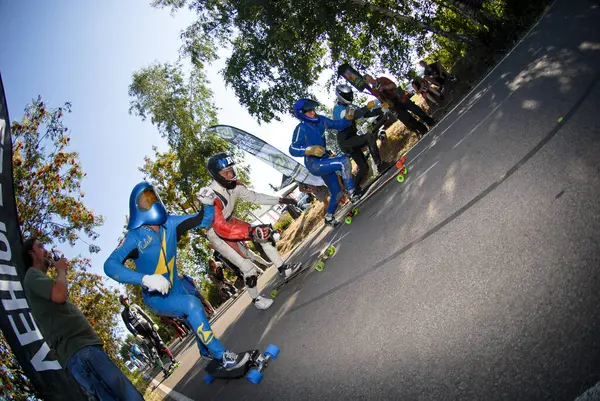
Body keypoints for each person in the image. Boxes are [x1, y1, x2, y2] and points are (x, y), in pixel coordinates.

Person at [104, 181, 251, 370]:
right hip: (156, 299)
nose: (152, 202)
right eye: (145, 200)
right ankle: (222, 357)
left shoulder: (171, 223)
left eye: (153, 197)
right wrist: (145, 279)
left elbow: (203, 220)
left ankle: (205, 351)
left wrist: (207, 203)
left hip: (177, 288)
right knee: (192, 304)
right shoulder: (133, 237)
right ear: (137, 207)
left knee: (194, 313)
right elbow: (110, 265)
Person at [22, 237, 144, 401]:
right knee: (125, 393)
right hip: (80, 350)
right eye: (40, 247)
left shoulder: (36, 278)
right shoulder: (32, 275)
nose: (45, 250)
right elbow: (59, 295)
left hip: (80, 352)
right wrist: (61, 271)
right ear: (31, 253)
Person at [203, 153, 302, 310]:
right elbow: (220, 227)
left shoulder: (235, 184)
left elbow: (254, 197)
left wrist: (280, 199)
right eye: (225, 173)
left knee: (265, 235)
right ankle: (256, 299)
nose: (231, 175)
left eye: (231, 170)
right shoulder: (211, 195)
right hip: (218, 234)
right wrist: (251, 233)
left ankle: (284, 268)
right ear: (216, 176)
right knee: (248, 267)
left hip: (230, 222)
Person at [289, 98, 359, 227]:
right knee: (344, 161)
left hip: (325, 160)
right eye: (309, 111)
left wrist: (348, 117)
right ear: (301, 114)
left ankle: (328, 217)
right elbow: (292, 149)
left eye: (313, 109)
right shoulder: (301, 128)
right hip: (314, 164)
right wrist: (309, 150)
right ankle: (352, 193)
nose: (313, 113)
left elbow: (339, 125)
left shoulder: (321, 120)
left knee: (337, 192)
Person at [332, 84, 392, 196]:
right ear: (340, 96)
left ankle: (354, 190)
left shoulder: (351, 106)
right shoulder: (338, 110)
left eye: (350, 94)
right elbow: (353, 116)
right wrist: (367, 107)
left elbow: (366, 114)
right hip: (345, 141)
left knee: (364, 167)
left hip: (352, 139)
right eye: (347, 95)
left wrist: (382, 108)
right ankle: (380, 165)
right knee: (368, 136)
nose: (349, 96)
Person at [119, 294, 179, 370]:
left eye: (126, 299)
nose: (125, 301)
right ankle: (164, 369)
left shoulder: (135, 306)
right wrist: (135, 334)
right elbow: (128, 325)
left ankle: (173, 360)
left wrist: (152, 323)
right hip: (141, 333)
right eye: (123, 301)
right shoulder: (123, 314)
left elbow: (145, 315)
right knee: (152, 349)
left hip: (148, 326)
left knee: (160, 343)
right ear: (122, 303)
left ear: (128, 299)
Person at [364, 74, 436, 137]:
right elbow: (380, 99)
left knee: (415, 109)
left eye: (370, 78)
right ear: (368, 82)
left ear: (371, 76)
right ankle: (423, 130)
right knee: (408, 118)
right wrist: (387, 106)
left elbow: (393, 85)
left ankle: (430, 122)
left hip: (400, 97)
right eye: (369, 80)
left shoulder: (382, 79)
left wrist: (384, 87)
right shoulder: (373, 90)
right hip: (393, 105)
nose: (371, 80)